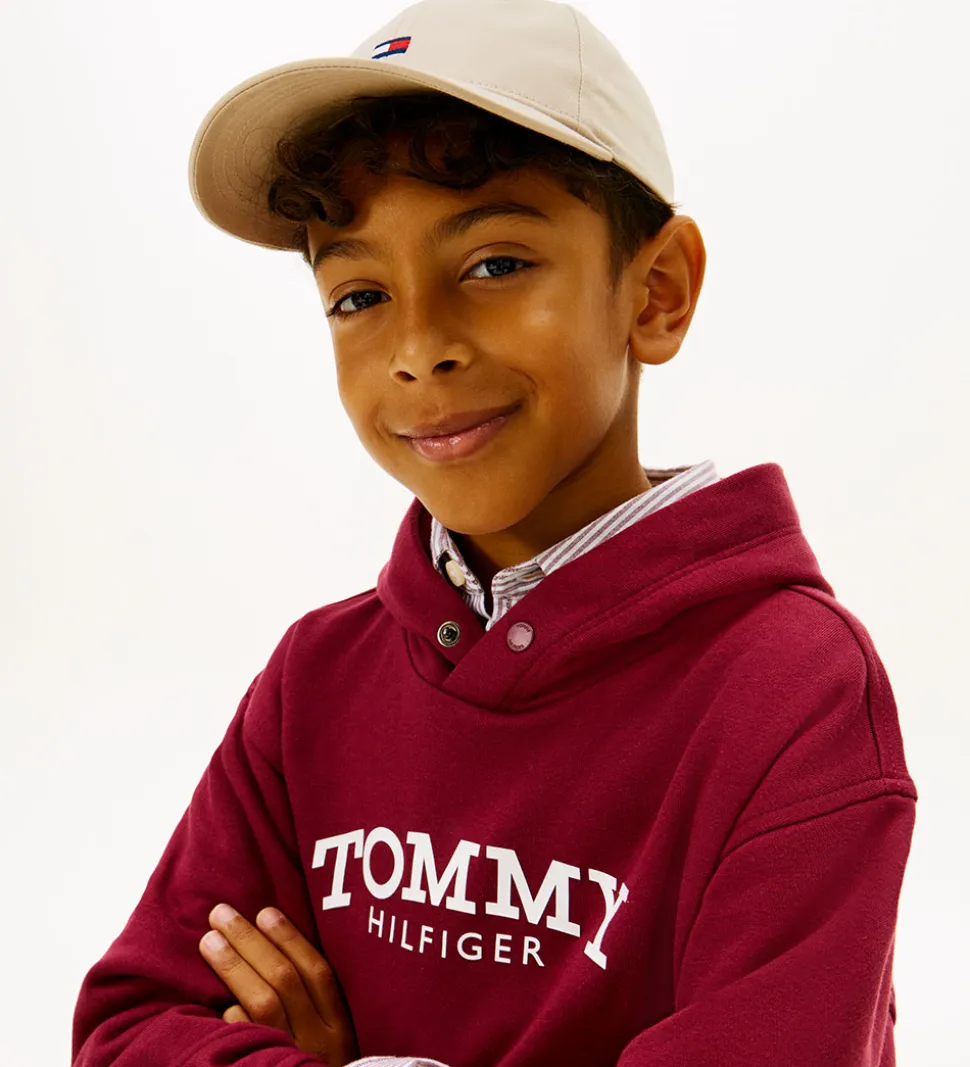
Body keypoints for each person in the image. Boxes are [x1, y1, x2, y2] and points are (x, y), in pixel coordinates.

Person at [71, 1, 918, 1065]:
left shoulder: (791, 694)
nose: (418, 347)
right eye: (359, 294)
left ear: (656, 292)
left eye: (494, 265)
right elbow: (128, 1028)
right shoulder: (311, 682)